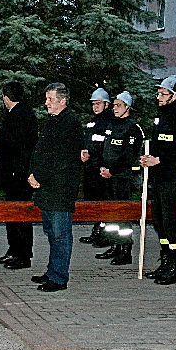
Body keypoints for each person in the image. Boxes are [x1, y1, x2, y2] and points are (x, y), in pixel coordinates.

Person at [28, 83, 84, 291]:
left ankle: (59, 277)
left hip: (61, 188)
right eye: (46, 99)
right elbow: (40, 150)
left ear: (63, 101)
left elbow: (62, 158)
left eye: (50, 99)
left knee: (61, 234)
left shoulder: (71, 123)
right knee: (51, 232)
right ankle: (52, 270)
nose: (46, 103)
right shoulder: (51, 121)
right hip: (47, 188)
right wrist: (32, 173)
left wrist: (39, 175)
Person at [140, 75, 176, 285]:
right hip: (159, 177)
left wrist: (159, 160)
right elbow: (157, 142)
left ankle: (175, 266)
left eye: (163, 93)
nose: (159, 97)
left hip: (173, 178)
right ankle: (165, 260)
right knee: (160, 222)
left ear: (174, 95)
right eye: (158, 93)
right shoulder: (161, 114)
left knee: (172, 222)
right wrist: (146, 158)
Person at [0, 81, 39, 269]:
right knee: (12, 213)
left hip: (19, 174)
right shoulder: (19, 113)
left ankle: (23, 255)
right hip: (16, 173)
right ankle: (14, 249)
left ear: (6, 97)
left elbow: (13, 142)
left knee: (20, 215)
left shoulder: (20, 115)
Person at [97, 91, 145, 266]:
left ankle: (125, 250)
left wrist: (112, 170)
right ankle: (114, 245)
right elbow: (105, 148)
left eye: (118, 105)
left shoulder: (132, 128)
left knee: (122, 214)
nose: (114, 108)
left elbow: (128, 155)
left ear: (127, 107)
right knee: (111, 214)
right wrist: (102, 166)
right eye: (114, 105)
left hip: (122, 177)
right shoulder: (112, 125)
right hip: (108, 175)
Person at [79, 88, 113, 247]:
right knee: (95, 201)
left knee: (103, 202)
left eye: (98, 104)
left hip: (102, 167)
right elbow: (88, 139)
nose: (95, 107)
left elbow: (104, 145)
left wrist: (90, 151)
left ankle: (105, 235)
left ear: (106, 104)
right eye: (93, 104)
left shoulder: (109, 121)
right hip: (91, 167)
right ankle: (97, 230)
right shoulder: (93, 121)